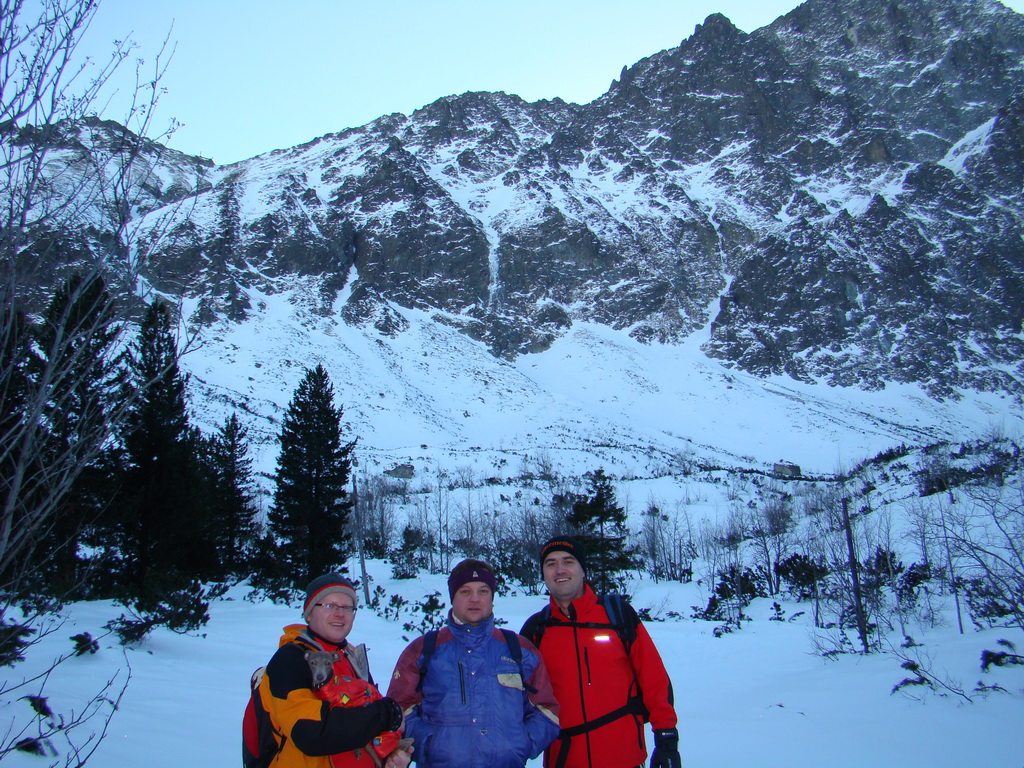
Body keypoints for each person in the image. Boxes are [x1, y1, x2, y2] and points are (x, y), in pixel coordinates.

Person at [521, 537, 681, 768]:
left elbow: (653, 677)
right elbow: (515, 699)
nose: (560, 570)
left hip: (624, 758)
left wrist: (667, 738)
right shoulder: (536, 630)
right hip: (565, 760)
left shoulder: (617, 615)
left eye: (568, 561)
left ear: (583, 570)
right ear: (543, 574)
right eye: (551, 564)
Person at [387, 558, 560, 768]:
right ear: (453, 598)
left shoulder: (520, 650)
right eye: (465, 591)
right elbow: (398, 710)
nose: (475, 599)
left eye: (483, 591)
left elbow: (547, 711)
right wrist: (430, 745)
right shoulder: (423, 650)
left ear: (492, 597)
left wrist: (520, 744)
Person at [260, 573, 411, 768]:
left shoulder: (352, 659)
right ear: (309, 612)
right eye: (329, 605)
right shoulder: (291, 659)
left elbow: (371, 729)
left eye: (347, 607)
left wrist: (393, 757)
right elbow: (312, 733)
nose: (340, 613)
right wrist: (386, 713)